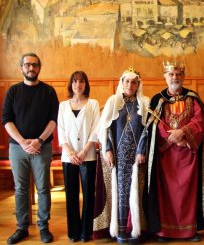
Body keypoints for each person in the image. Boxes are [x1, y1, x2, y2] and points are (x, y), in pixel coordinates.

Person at [143, 61, 204, 242]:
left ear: (184, 77)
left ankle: (189, 231)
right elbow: (153, 124)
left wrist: (183, 134)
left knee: (187, 194)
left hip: (188, 153)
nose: (175, 77)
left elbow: (199, 121)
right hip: (165, 156)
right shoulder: (157, 99)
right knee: (166, 195)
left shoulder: (193, 98)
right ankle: (164, 232)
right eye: (171, 74)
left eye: (178, 74)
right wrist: (170, 137)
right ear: (165, 77)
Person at [2, 52, 59, 244]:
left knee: (43, 189)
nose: (31, 68)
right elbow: (6, 121)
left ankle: (44, 227)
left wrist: (39, 141)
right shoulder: (12, 91)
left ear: (39, 67)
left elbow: (53, 120)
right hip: (18, 149)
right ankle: (22, 228)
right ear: (21, 68)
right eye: (27, 65)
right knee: (20, 189)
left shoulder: (49, 92)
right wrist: (22, 142)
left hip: (42, 147)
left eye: (34, 65)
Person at [93, 66, 149, 243]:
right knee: (120, 192)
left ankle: (136, 229)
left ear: (138, 84)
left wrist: (142, 150)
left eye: (134, 82)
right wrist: (107, 149)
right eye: (127, 81)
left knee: (137, 192)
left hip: (138, 158)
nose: (130, 85)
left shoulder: (145, 102)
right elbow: (105, 128)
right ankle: (121, 230)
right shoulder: (113, 102)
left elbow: (148, 129)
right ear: (122, 83)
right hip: (118, 157)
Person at [57, 71, 100, 242]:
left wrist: (83, 151)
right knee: (71, 195)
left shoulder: (93, 104)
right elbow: (61, 131)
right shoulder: (63, 106)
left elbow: (96, 129)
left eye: (81, 81)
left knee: (89, 194)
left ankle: (86, 232)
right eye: (75, 81)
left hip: (87, 155)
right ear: (71, 84)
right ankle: (74, 232)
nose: (78, 85)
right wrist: (70, 152)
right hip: (69, 157)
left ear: (86, 84)